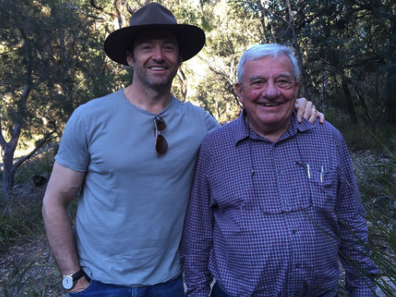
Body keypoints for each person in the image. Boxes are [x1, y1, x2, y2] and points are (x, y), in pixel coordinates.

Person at [42, 3, 323, 296]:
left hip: (170, 284)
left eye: (168, 48)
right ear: (130, 57)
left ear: (179, 59)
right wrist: (73, 279)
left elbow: (252, 140)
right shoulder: (89, 118)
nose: (158, 56)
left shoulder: (201, 124)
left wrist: (293, 110)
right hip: (99, 284)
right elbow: (55, 200)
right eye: (147, 47)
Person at [181, 43, 378, 297]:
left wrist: (362, 289)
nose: (271, 92)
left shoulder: (328, 138)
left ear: (296, 88)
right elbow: (198, 235)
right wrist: (196, 292)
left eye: (283, 81)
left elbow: (352, 221)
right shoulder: (215, 148)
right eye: (258, 82)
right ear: (240, 92)